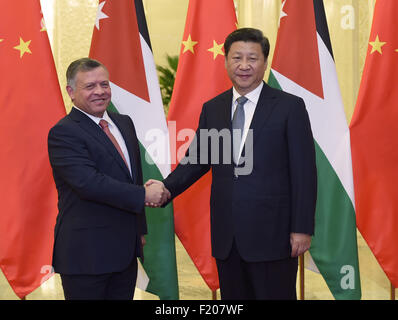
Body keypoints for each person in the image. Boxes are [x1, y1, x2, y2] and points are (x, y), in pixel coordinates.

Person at [147, 28, 317, 299]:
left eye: (252, 58)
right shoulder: (213, 108)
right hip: (228, 236)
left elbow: (304, 173)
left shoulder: (289, 107)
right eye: (237, 58)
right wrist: (165, 189)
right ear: (226, 61)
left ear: (264, 62)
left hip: (274, 235)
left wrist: (302, 228)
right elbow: (197, 160)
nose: (244, 65)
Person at [47, 58, 167, 300]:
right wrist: (144, 195)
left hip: (125, 251)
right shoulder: (64, 132)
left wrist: (139, 230)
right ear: (71, 92)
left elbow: (133, 176)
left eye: (104, 84)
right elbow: (89, 183)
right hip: (86, 255)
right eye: (90, 86)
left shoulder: (124, 123)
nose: (100, 92)